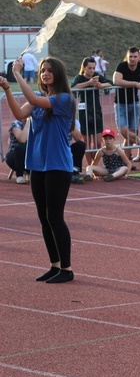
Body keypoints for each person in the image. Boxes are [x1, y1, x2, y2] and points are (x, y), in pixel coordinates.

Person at [1, 57, 78, 284]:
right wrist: (7, 90)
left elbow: (32, 98)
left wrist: (16, 74)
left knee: (55, 216)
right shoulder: (40, 99)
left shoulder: (63, 99)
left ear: (59, 75)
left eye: (49, 71)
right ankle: (54, 265)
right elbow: (18, 114)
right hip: (37, 165)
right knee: (44, 218)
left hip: (57, 165)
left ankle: (67, 268)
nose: (45, 74)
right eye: (43, 70)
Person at [71, 56, 114, 164]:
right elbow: (73, 87)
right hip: (84, 112)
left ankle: (95, 164)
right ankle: (90, 165)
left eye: (93, 68)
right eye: (89, 68)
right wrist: (89, 83)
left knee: (98, 142)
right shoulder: (79, 78)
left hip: (96, 111)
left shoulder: (97, 76)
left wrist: (100, 85)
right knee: (86, 142)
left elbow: (110, 82)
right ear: (84, 68)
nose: (92, 70)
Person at [5, 118, 29, 183]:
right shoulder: (16, 124)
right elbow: (22, 139)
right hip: (14, 157)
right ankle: (19, 175)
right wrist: (28, 123)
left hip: (31, 157)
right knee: (21, 146)